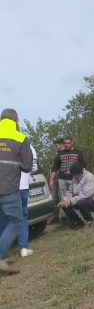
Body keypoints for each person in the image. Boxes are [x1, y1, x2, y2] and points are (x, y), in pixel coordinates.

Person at [0, 108, 33, 274]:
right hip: (8, 189)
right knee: (17, 221)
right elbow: (27, 166)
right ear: (16, 121)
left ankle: (3, 256)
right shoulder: (21, 138)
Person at [57, 162, 94, 229]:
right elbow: (70, 192)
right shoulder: (74, 178)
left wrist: (70, 202)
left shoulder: (90, 177)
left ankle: (89, 220)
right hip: (79, 200)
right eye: (73, 174)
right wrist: (65, 200)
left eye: (74, 174)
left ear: (80, 172)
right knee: (64, 205)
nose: (73, 176)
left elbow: (85, 195)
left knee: (81, 202)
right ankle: (78, 222)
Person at [49, 136, 86, 203]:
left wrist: (83, 178)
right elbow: (54, 168)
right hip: (62, 180)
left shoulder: (78, 153)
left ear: (72, 143)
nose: (66, 145)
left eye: (68, 143)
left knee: (77, 198)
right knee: (63, 199)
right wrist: (51, 180)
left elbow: (83, 167)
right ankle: (65, 212)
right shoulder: (60, 154)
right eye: (65, 143)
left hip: (74, 179)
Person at [49, 138, 64, 223]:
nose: (56, 147)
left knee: (63, 197)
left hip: (63, 179)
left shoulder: (65, 154)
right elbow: (54, 168)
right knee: (54, 198)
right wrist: (51, 179)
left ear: (61, 144)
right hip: (56, 179)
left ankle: (66, 217)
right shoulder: (57, 155)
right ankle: (55, 217)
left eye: (56, 145)